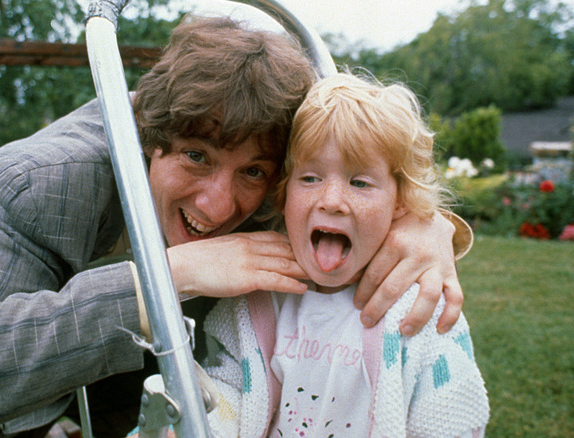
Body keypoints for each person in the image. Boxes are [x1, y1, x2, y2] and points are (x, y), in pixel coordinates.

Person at [0, 17, 470, 438]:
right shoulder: (49, 182)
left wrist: (424, 225)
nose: (217, 205)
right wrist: (163, 279)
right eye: (195, 157)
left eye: (254, 171)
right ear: (149, 136)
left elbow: (354, 169)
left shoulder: (279, 187)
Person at [200, 71, 488, 437]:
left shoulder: (420, 311)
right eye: (310, 178)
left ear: (400, 203)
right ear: (283, 194)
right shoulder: (258, 300)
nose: (332, 201)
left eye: (359, 182)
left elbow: (451, 420)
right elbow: (226, 394)